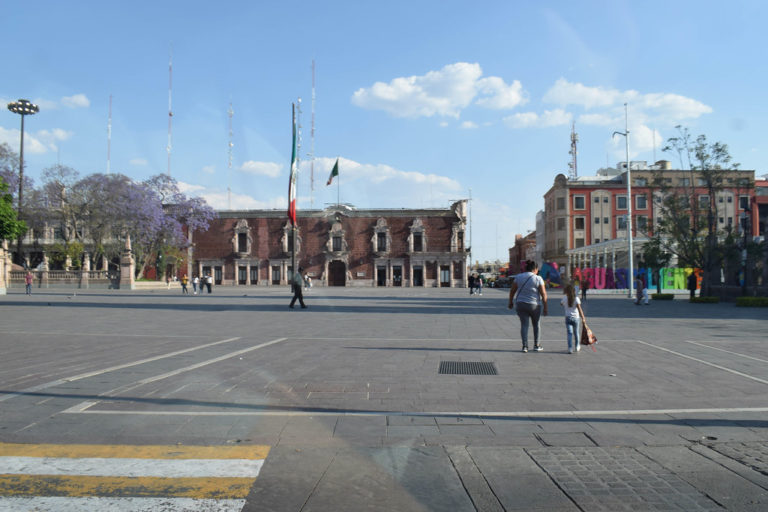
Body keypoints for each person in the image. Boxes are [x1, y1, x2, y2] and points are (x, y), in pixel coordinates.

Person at [508, 260, 548, 352]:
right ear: (535, 269)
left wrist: (510, 302)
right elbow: (543, 293)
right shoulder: (538, 278)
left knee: (524, 325)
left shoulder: (518, 277)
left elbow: (512, 291)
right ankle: (536, 345)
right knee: (536, 325)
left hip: (521, 304)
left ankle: (525, 346)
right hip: (535, 305)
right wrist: (545, 307)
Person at [561, 283, 586, 354]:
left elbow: (561, 303)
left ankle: (570, 348)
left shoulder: (565, 298)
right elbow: (580, 309)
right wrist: (583, 318)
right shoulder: (576, 299)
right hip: (576, 318)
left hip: (568, 318)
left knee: (569, 333)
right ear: (574, 291)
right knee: (576, 333)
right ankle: (577, 346)